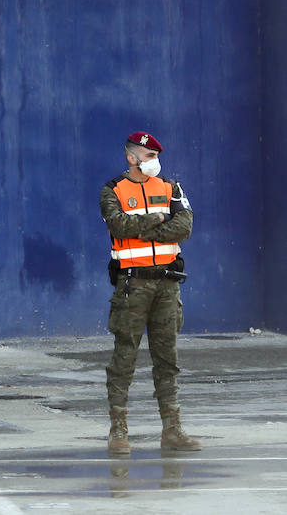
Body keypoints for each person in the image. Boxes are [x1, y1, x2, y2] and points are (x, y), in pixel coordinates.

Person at [100, 131, 201, 455]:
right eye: (148, 156)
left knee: (167, 358)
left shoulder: (171, 187)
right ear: (131, 158)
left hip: (168, 284)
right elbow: (118, 225)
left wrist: (145, 228)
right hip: (133, 285)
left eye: (155, 156)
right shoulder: (113, 190)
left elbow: (184, 225)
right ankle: (118, 430)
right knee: (124, 357)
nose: (154, 162)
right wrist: (158, 218)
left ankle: (172, 429)